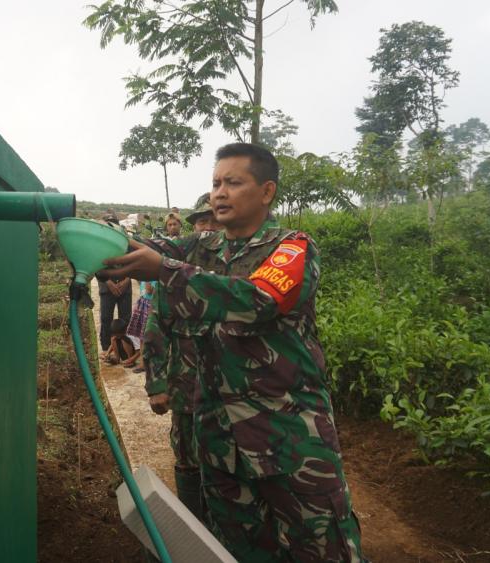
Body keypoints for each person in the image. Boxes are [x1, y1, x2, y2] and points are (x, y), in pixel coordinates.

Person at [104, 143, 365, 562]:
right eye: (214, 183)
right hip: (220, 443)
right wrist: (96, 241)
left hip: (290, 441)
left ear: (266, 191)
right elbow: (139, 248)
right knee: (237, 549)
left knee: (322, 548)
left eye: (233, 182)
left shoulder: (292, 248)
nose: (218, 193)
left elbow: (258, 299)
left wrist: (166, 272)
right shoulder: (198, 248)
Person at [142, 198, 222, 521]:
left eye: (214, 221)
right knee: (187, 456)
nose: (208, 229)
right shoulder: (175, 276)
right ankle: (193, 525)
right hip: (186, 387)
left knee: (222, 461)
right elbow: (155, 328)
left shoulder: (233, 271)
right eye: (202, 222)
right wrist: (156, 384)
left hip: (227, 393)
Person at [98, 270, 132, 353]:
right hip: (105, 285)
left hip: (125, 285)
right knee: (106, 318)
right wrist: (108, 282)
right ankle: (106, 349)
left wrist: (127, 280)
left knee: (125, 319)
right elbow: (97, 264)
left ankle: (125, 351)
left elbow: (134, 260)